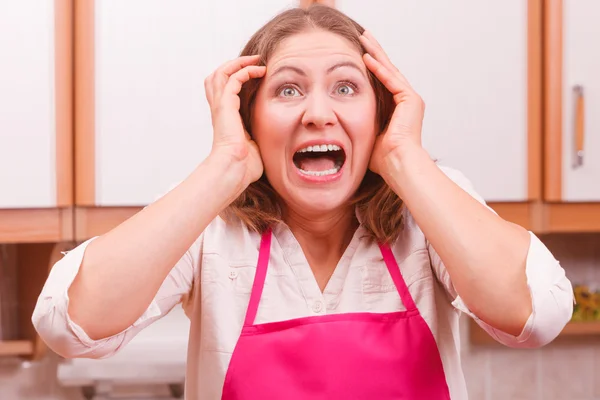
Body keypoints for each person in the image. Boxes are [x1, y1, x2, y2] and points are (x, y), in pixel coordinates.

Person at [33, 5, 573, 399]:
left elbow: (535, 315)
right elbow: (71, 325)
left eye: (345, 87)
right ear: (251, 118)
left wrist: (405, 157)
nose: (318, 113)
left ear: (379, 112)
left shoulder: (428, 201)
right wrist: (225, 166)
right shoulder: (211, 217)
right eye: (288, 90)